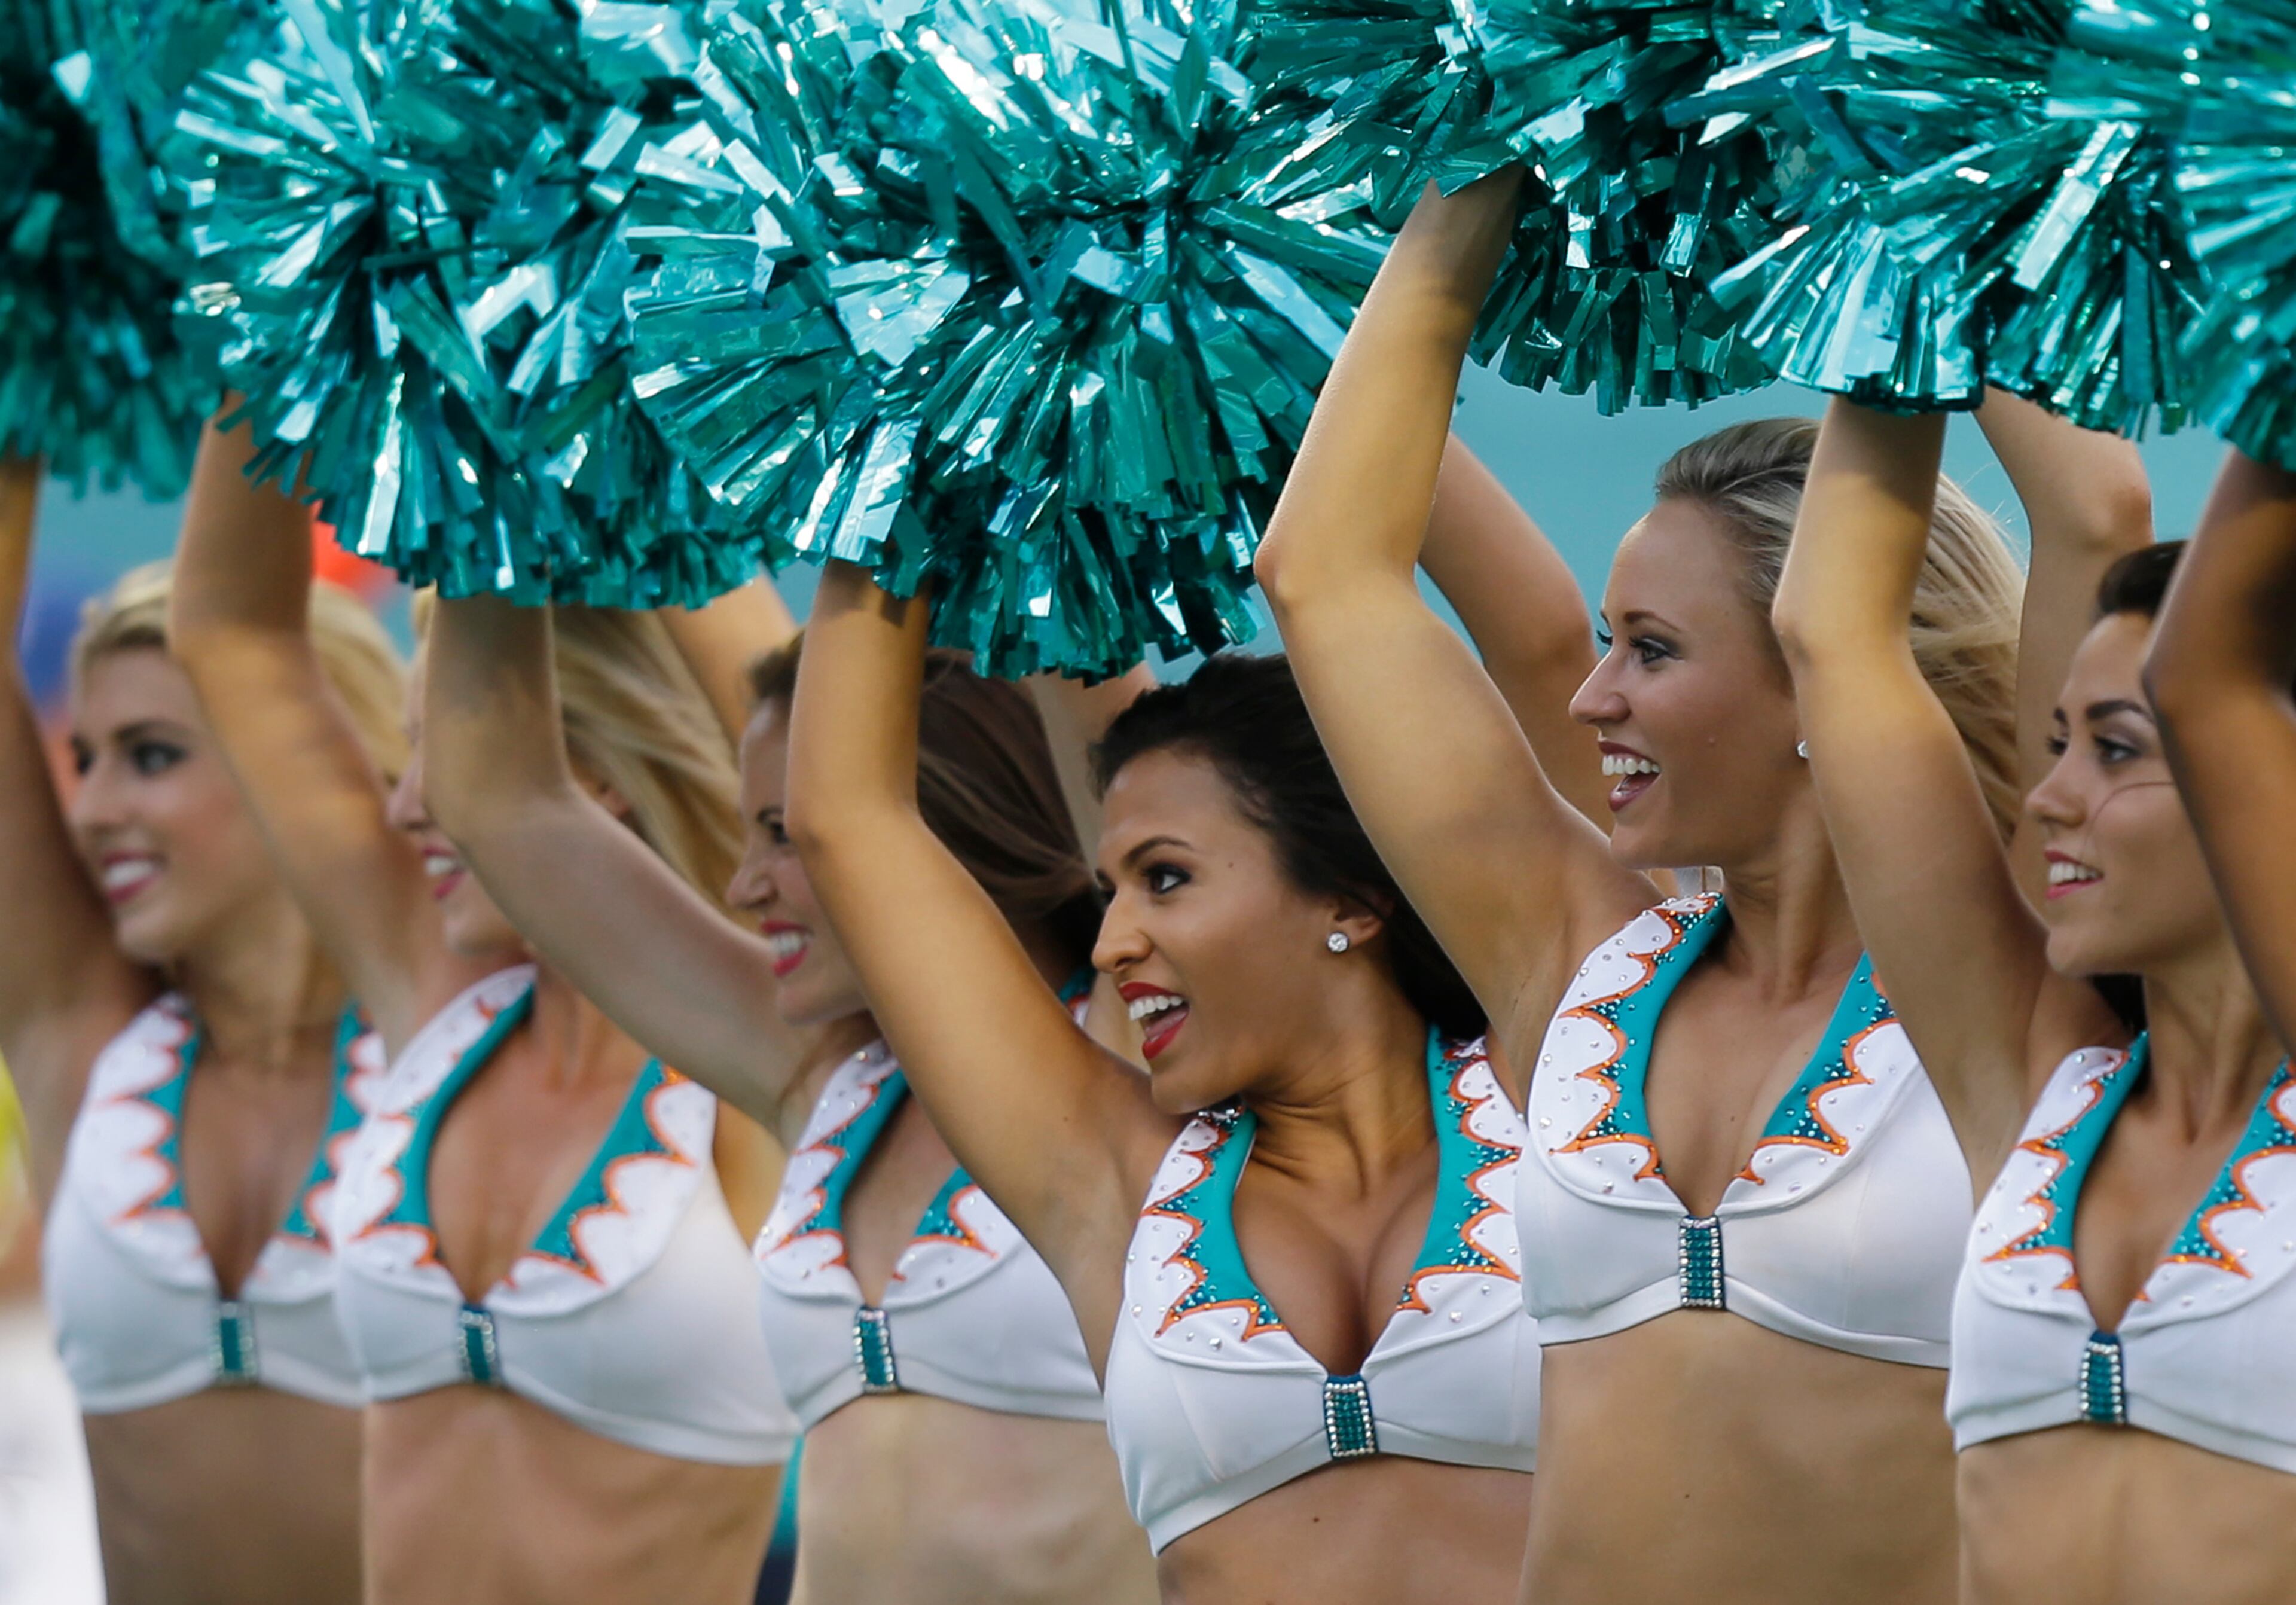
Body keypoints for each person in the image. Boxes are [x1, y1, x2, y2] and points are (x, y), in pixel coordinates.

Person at [1251, 171, 2150, 1605]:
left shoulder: (2018, 990)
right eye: (1606, 641)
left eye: (1653, 649)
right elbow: (1325, 575)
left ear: (1817, 684)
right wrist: (1486, 139)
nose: (1591, 695)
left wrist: (1911, 163)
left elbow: (2098, 512)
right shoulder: (1581, 968)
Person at [774, 431, 1607, 1603]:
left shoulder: (1564, 1081)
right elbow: (846, 818)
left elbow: (1543, 646)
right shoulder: (1115, 1178)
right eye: (1109, 891)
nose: (1111, 943)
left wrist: (1301, 344)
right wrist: (917, 420)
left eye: (1164, 879)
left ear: (1352, 897)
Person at [417, 591, 1162, 1605]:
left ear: (940, 824)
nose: (743, 886)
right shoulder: (822, 1080)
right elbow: (502, 803)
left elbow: (1120, 751)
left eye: (782, 836)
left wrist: (968, 464)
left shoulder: (1130, 1069)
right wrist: (481, 499)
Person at [165, 421, 796, 1605]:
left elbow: (811, 750)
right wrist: (303, 286)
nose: (407, 811)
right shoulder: (436, 1006)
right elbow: (232, 636)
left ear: (595, 772)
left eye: (433, 761)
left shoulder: (778, 1059)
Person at [1768, 428, 2296, 1605]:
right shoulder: (2035, 1078)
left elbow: (2208, 672)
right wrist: (1893, 274)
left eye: (2117, 750)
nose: (2050, 798)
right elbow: (1833, 633)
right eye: (2061, 744)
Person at [0, 453, 406, 1605]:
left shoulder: (457, 1040)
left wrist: (278, 302)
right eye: (85, 761)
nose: (93, 809)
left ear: (318, 764)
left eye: (153, 756)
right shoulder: (87, 1040)